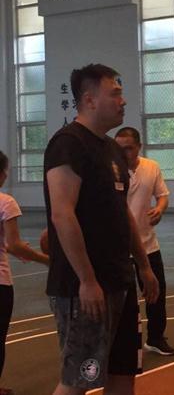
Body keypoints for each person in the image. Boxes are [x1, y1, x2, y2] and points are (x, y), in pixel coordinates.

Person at [43, 64, 159, 395]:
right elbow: (63, 215)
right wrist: (87, 280)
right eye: (115, 93)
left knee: (123, 375)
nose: (123, 101)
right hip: (84, 289)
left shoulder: (111, 149)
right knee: (79, 380)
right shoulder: (68, 144)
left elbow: (122, 213)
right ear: (90, 100)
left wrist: (144, 266)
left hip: (119, 280)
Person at [114, 127, 174, 356]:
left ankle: (156, 338)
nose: (123, 153)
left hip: (148, 245)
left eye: (128, 148)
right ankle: (123, 344)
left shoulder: (151, 167)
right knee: (123, 301)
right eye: (118, 148)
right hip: (119, 249)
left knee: (156, 293)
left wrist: (159, 209)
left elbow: (163, 195)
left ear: (139, 147)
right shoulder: (109, 170)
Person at [0, 151, 49, 395]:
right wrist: (48, 261)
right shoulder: (6, 202)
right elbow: (15, 244)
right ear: (3, 173)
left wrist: (13, 249)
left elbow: (9, 245)